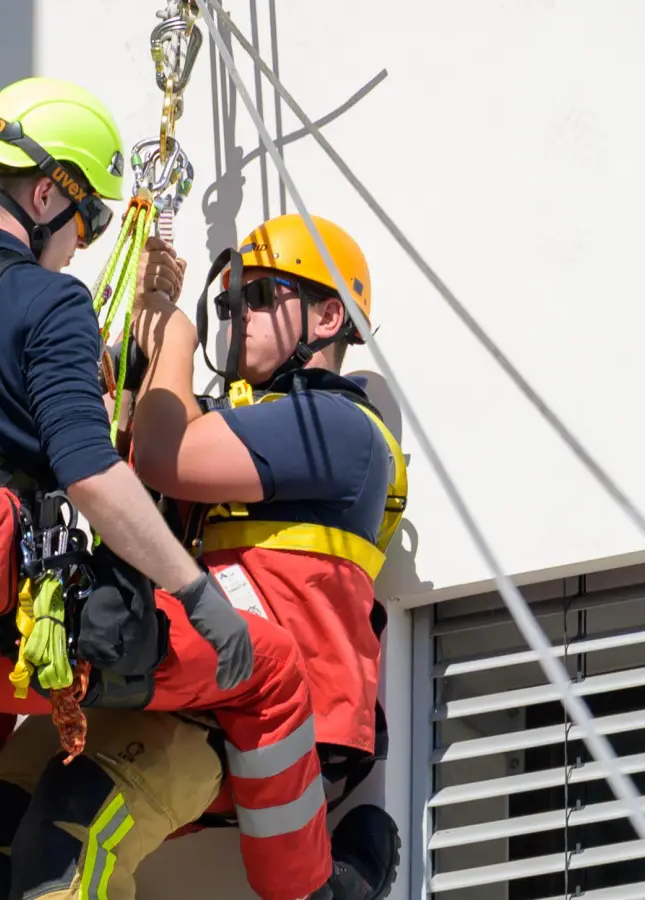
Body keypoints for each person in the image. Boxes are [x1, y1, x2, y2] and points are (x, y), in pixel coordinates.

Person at [0, 75, 336, 900]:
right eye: (88, 218)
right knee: (274, 667)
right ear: (45, 192)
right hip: (26, 639)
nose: (83, 243)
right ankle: (310, 892)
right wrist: (201, 600)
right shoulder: (51, 303)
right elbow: (94, 476)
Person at [120, 212, 411, 900]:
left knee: (67, 839)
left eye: (256, 297)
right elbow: (126, 461)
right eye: (225, 305)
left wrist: (175, 336)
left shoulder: (337, 426)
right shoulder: (241, 421)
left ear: (327, 314)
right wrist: (144, 339)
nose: (235, 317)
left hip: (273, 705)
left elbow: (164, 456)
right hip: (212, 692)